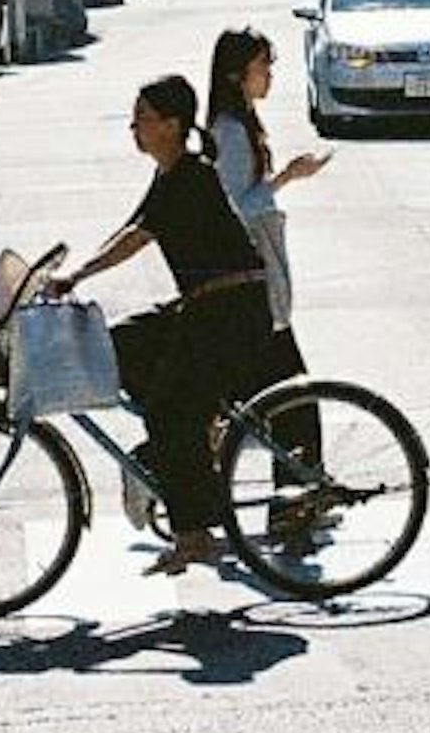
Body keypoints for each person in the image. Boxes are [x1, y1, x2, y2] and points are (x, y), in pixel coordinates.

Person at [43, 75, 277, 576]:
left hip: (230, 310)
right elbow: (129, 228)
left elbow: (137, 239)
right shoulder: (171, 172)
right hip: (204, 305)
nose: (134, 128)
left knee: (171, 412)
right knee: (120, 345)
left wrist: (78, 275)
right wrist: (71, 272)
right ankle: (178, 453)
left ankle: (193, 532)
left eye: (143, 119)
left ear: (172, 125)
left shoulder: (191, 174)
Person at [205, 24, 326, 354]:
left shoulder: (242, 122)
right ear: (235, 74)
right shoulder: (229, 131)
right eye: (262, 66)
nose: (269, 74)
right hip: (247, 269)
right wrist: (286, 177)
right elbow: (232, 208)